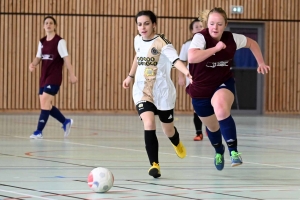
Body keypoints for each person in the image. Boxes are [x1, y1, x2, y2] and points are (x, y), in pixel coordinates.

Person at [187, 7, 270, 170]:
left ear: (225, 24)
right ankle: (219, 150)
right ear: (207, 24)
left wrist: (260, 62)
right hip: (201, 89)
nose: (215, 27)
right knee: (212, 127)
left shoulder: (232, 39)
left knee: (221, 109)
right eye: (211, 23)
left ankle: (234, 151)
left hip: (222, 83)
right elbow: (192, 57)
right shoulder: (200, 38)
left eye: (219, 24)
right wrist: (215, 49)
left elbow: (252, 43)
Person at [122, 10, 192, 178]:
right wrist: (130, 76)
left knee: (168, 129)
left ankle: (176, 142)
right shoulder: (137, 39)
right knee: (149, 122)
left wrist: (187, 73)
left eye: (146, 23)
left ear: (154, 24)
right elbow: (137, 56)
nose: (143, 27)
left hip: (163, 93)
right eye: (139, 24)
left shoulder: (163, 44)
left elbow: (176, 61)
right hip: (142, 91)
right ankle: (154, 164)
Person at [29, 16, 78, 139]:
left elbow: (66, 59)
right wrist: (33, 64)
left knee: (45, 101)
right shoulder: (42, 42)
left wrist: (72, 74)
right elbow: (38, 57)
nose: (49, 25)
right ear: (43, 26)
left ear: (55, 26)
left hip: (54, 76)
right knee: (46, 104)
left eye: (51, 23)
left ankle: (38, 131)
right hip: (44, 77)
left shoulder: (59, 41)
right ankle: (65, 122)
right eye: (46, 23)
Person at [178, 10, 210, 141]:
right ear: (192, 30)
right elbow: (181, 61)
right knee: (197, 106)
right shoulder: (187, 45)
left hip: (209, 78)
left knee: (211, 105)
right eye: (196, 27)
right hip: (194, 79)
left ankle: (210, 129)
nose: (199, 29)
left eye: (201, 26)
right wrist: (181, 77)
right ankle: (199, 133)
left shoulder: (209, 43)